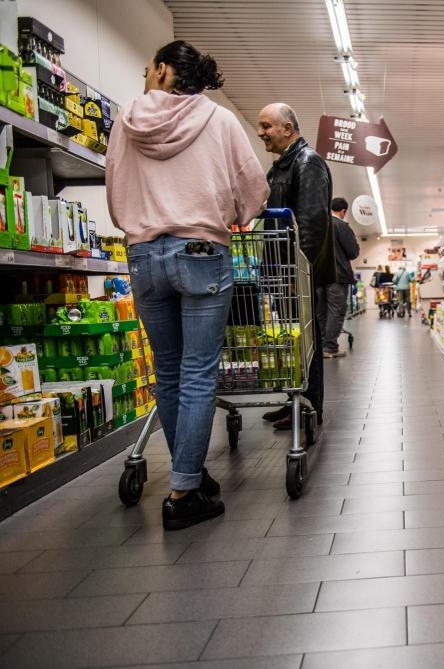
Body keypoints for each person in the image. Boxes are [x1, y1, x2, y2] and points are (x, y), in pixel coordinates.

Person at [106, 40, 269, 530]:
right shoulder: (218, 121)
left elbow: (114, 189)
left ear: (161, 70)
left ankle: (190, 473)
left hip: (143, 255)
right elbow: (253, 189)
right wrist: (233, 215)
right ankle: (182, 494)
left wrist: (140, 222)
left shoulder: (126, 121)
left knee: (170, 373)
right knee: (199, 373)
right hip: (200, 252)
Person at [256, 102, 335, 431]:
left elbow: (311, 223)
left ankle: (308, 406)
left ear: (287, 129)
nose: (260, 133)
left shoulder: (308, 162)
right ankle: (294, 399)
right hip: (282, 271)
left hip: (296, 274)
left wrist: (299, 273)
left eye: (266, 126)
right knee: (293, 340)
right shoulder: (281, 167)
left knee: (307, 341)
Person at [321, 197, 359, 358]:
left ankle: (322, 345)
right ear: (343, 211)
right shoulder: (341, 226)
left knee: (321, 311)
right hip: (337, 275)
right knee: (336, 310)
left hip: (319, 275)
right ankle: (330, 347)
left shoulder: (318, 224)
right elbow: (353, 251)